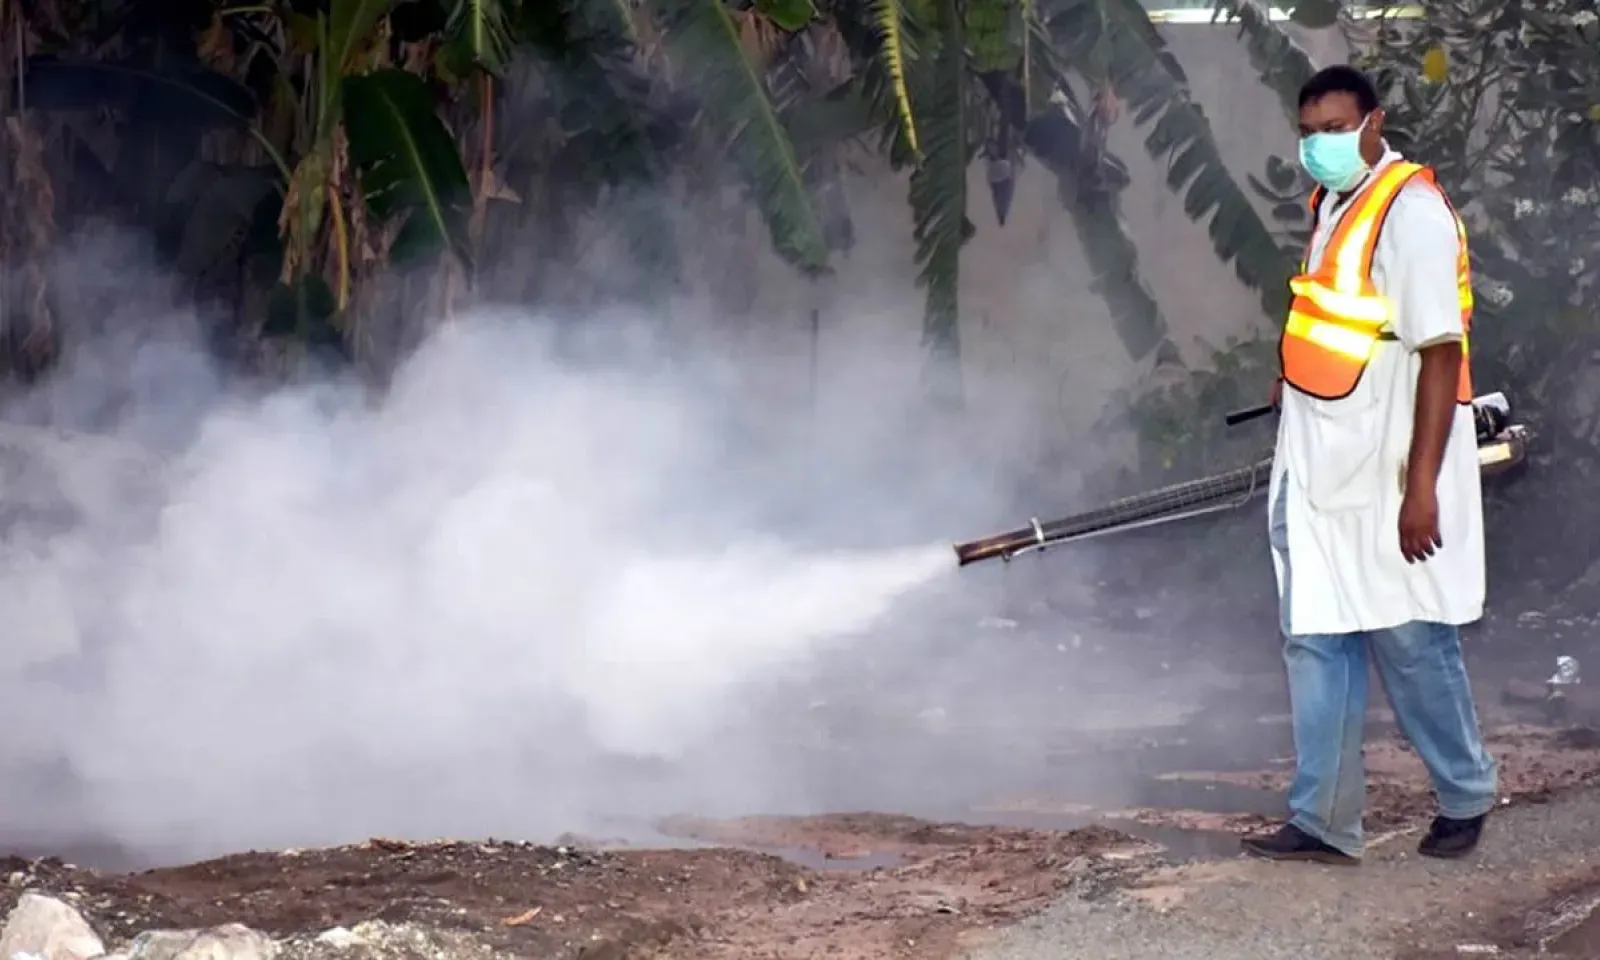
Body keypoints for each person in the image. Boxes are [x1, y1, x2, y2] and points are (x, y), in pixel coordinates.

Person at [1240, 65, 1498, 866]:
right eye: (1308, 131)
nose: (1319, 144)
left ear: (1374, 123)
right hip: (1321, 455)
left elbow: (1439, 351)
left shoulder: (1410, 212)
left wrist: (1420, 489)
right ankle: (1322, 819)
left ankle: (1466, 793)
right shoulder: (1333, 202)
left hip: (1390, 456)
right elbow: (1337, 324)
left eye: (1335, 128)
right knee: (1316, 634)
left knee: (1410, 636)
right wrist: (1294, 385)